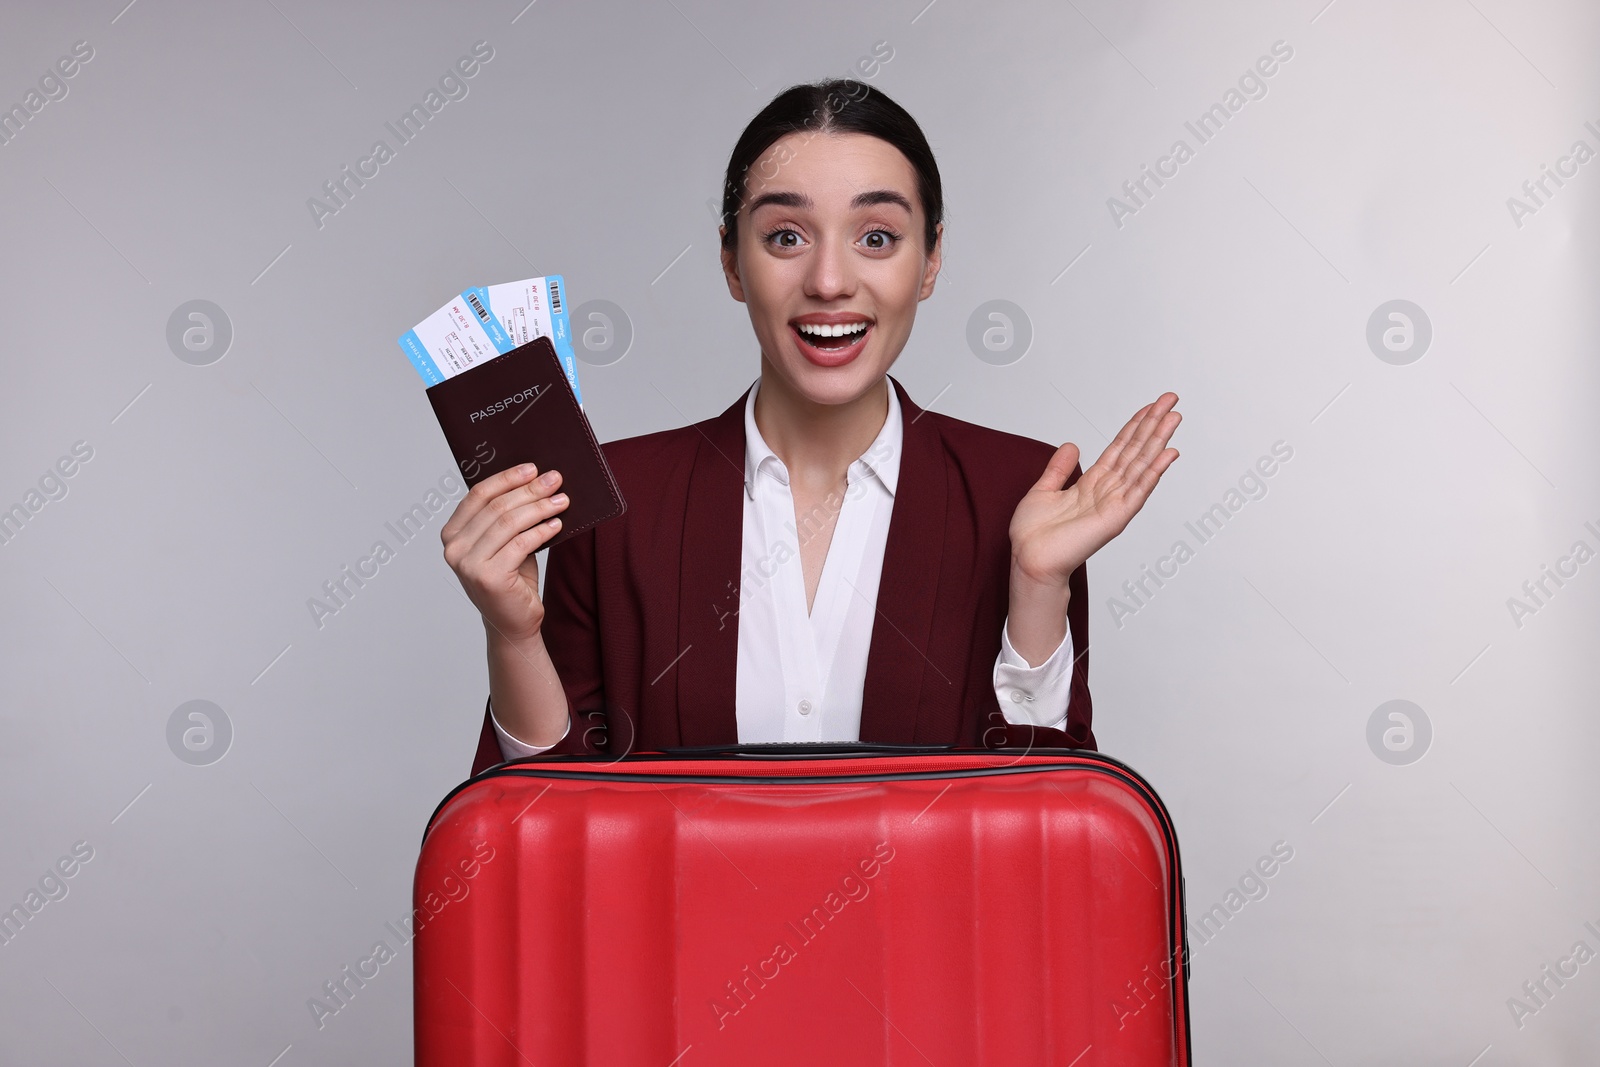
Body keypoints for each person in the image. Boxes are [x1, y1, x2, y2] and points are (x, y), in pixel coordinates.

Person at [443, 79, 1180, 776]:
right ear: (732, 262)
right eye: (786, 237)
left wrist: (1038, 588)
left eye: (879, 238)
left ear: (931, 261)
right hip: (681, 917)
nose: (829, 280)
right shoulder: (615, 500)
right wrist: (513, 634)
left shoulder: (1021, 494)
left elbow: (1042, 830)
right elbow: (548, 827)